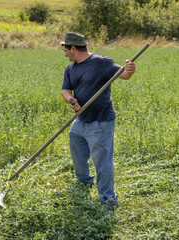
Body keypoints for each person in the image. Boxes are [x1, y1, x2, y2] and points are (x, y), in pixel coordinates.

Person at [60, 32, 136, 210]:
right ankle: (84, 181)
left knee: (102, 161)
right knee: (77, 152)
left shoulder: (102, 62)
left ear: (73, 48)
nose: (64, 54)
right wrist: (71, 100)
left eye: (66, 50)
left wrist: (130, 70)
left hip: (100, 121)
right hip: (80, 120)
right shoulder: (70, 68)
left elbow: (123, 75)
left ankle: (109, 198)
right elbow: (65, 90)